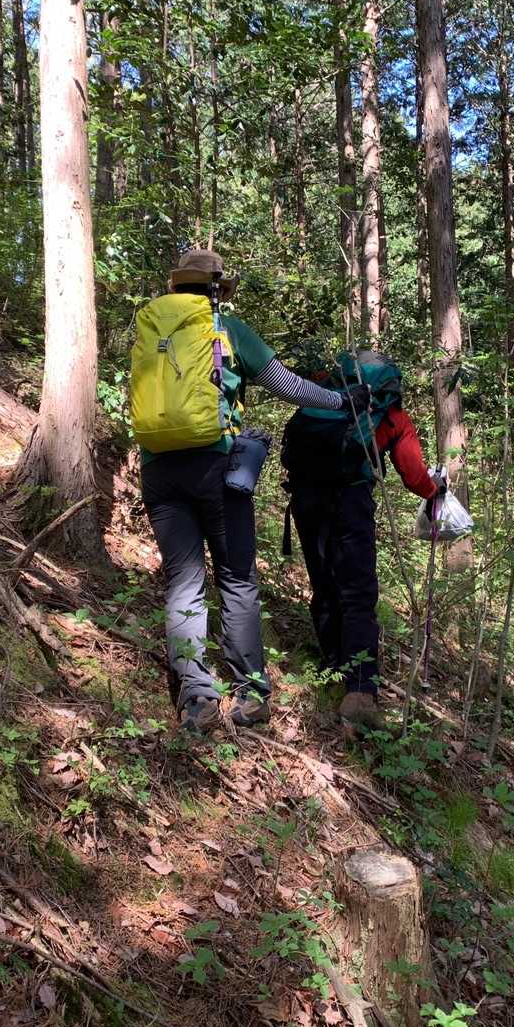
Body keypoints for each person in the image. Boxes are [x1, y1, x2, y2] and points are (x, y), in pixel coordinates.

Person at [132, 250, 371, 734]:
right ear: (215, 289)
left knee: (183, 583)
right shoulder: (226, 329)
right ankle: (251, 694)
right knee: (236, 579)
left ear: (177, 287)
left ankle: (197, 698)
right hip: (218, 468)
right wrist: (340, 401)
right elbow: (285, 385)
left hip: (158, 469)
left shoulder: (150, 330)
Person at [281, 348, 445, 732]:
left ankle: (332, 667)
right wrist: (435, 490)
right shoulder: (390, 414)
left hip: (305, 498)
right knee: (357, 593)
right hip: (350, 501)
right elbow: (413, 475)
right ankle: (359, 692)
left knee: (324, 585)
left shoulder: (322, 395)